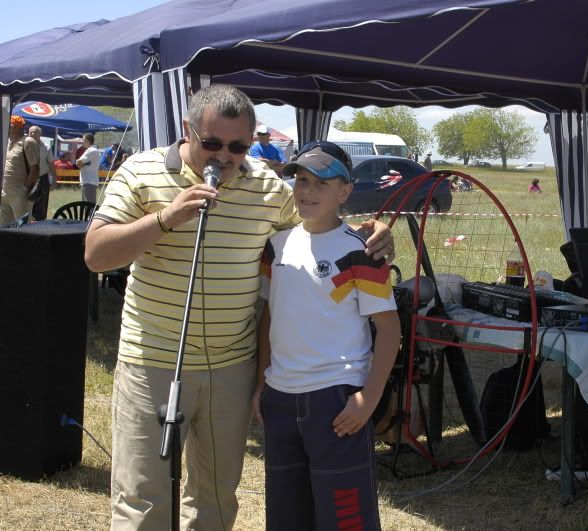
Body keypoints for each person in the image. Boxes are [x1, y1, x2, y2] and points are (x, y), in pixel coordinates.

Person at [83, 85, 393, 530]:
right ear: (188, 131)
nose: (223, 157)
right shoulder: (141, 171)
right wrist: (165, 219)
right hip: (151, 360)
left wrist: (377, 234)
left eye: (238, 146)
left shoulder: (269, 189)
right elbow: (96, 254)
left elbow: (320, 223)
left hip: (230, 369)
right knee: (144, 500)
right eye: (212, 143)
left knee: (213, 499)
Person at [256, 141, 400, 529]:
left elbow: (389, 330)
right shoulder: (276, 247)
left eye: (321, 182)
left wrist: (368, 400)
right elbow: (269, 317)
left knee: (345, 521)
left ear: (345, 191)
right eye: (301, 180)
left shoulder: (361, 251)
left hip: (336, 404)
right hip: (281, 401)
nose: (307, 191)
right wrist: (260, 386)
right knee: (286, 518)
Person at [0, 116, 39, 225]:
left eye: (11, 127)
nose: (7, 129)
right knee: (3, 227)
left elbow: (35, 167)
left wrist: (25, 189)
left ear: (19, 128)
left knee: (22, 226)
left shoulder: (28, 141)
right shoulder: (8, 142)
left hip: (19, 192)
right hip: (5, 192)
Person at [28, 126, 56, 221]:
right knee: (26, 203)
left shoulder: (46, 147)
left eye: (34, 132)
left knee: (42, 205)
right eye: (30, 132)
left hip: (42, 178)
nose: (32, 134)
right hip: (28, 178)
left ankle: (40, 227)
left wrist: (54, 179)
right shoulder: (23, 146)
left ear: (40, 134)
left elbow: (51, 164)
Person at [75, 133, 101, 203]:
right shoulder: (94, 150)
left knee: (89, 207)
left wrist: (79, 163)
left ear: (87, 140)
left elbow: (78, 163)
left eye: (83, 140)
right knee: (88, 206)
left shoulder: (91, 150)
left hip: (88, 181)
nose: (82, 142)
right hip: (90, 181)